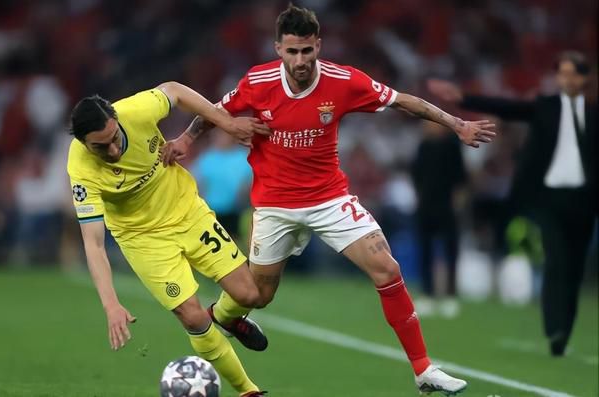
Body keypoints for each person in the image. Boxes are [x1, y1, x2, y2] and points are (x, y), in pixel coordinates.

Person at [163, 5, 496, 394]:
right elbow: (214, 110)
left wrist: (457, 125)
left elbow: (403, 101)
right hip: (274, 206)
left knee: (386, 268)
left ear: (318, 45)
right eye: (292, 52)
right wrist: (186, 139)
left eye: (307, 51)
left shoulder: (344, 81)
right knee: (257, 295)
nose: (300, 60)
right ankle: (226, 317)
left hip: (329, 198)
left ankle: (423, 369)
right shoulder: (257, 81)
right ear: (277, 49)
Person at [66, 82, 271, 397]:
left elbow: (174, 90)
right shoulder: (80, 169)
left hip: (187, 212)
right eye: (100, 147)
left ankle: (224, 316)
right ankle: (248, 390)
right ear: (83, 143)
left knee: (250, 294)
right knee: (191, 315)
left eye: (114, 138)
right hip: (143, 238)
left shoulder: (136, 111)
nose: (114, 150)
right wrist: (111, 306)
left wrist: (224, 124)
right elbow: (93, 243)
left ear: (117, 120)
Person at [427, 51, 596, 356]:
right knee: (556, 259)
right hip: (550, 199)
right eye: (563, 73)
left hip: (583, 200)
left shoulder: (595, 115)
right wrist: (463, 97)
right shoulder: (546, 107)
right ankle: (555, 329)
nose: (568, 79)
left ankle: (565, 328)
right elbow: (507, 107)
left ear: (584, 79)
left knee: (574, 267)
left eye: (574, 74)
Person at [411, 121, 467, 318]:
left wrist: (457, 204)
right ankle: (428, 294)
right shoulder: (423, 147)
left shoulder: (452, 147)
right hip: (426, 207)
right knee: (425, 251)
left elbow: (461, 178)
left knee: (451, 252)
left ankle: (450, 295)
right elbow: (415, 176)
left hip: (446, 207)